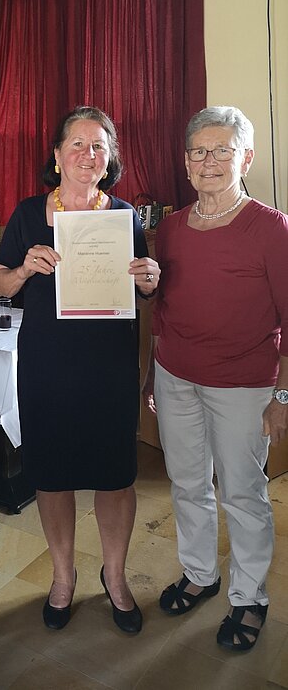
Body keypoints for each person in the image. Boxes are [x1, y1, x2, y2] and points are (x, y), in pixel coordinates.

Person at [0, 106, 159, 634]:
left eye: (99, 146)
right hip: (48, 366)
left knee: (115, 477)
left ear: (110, 159)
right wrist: (23, 268)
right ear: (58, 155)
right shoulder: (28, 214)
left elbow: (142, 288)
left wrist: (149, 279)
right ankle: (63, 577)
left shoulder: (125, 216)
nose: (89, 154)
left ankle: (115, 576)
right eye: (78, 144)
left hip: (109, 367)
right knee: (53, 475)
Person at [143, 106, 288, 652]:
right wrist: (153, 376)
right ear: (185, 162)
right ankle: (200, 574)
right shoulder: (172, 228)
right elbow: (163, 309)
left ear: (245, 158)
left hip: (244, 386)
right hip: (175, 377)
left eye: (222, 150)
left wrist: (283, 395)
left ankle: (249, 596)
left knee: (243, 493)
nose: (209, 161)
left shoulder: (271, 227)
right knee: (187, 484)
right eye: (199, 151)